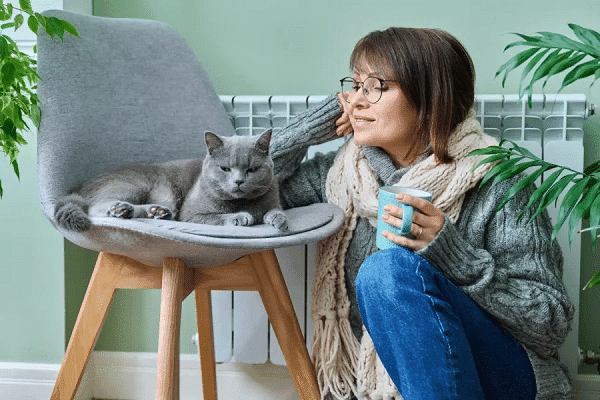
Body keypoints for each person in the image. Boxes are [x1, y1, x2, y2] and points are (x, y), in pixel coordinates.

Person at [269, 27, 574, 400]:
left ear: (430, 99)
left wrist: (454, 256)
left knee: (387, 271)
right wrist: (309, 129)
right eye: (356, 85)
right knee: (387, 272)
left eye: (376, 86)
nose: (356, 100)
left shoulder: (498, 181)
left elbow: (550, 324)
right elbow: (233, 196)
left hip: (502, 376)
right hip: (401, 382)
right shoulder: (342, 176)